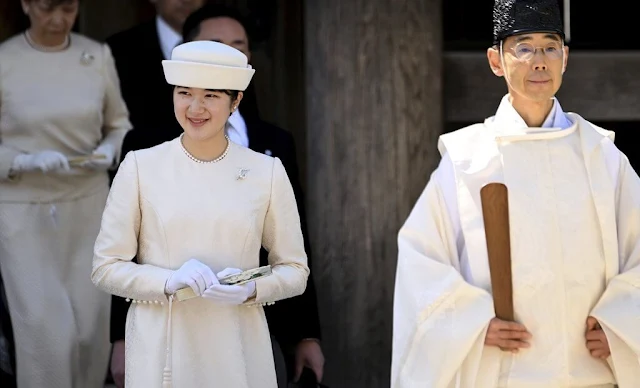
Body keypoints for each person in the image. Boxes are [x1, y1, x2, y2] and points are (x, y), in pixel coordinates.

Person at [391, 0, 640, 387]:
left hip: (591, 372)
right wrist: (472, 323)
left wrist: (623, 323)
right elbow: (420, 258)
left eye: (550, 46)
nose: (539, 61)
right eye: (524, 47)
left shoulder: (601, 155)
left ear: (565, 57)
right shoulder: (468, 159)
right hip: (505, 373)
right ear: (496, 60)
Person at [91, 40, 310, 388]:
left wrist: (251, 290)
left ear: (235, 101)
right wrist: (167, 281)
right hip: (161, 346)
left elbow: (295, 270)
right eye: (184, 93)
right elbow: (105, 268)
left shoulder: (265, 171)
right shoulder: (140, 166)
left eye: (211, 95)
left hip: (238, 345)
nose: (195, 107)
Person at [0, 0, 131, 387]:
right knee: (45, 334)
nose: (58, 20)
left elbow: (119, 124)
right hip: (24, 207)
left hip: (89, 202)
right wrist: (23, 161)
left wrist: (111, 149)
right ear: (25, 4)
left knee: (91, 332)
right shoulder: (5, 59)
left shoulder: (96, 55)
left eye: (69, 9)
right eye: (46, 8)